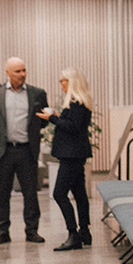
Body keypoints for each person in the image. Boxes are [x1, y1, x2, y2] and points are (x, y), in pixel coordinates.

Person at [0, 57, 48, 245]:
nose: (22, 74)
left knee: (30, 193)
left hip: (27, 150)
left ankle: (32, 231)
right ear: (7, 72)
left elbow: (43, 121)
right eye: (17, 71)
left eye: (24, 70)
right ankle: (2, 231)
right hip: (3, 151)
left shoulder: (37, 93)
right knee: (2, 193)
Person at [37, 68, 94, 251]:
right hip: (75, 153)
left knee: (59, 194)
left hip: (71, 155)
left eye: (63, 80)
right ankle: (84, 232)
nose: (61, 83)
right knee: (79, 193)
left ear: (72, 82)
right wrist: (58, 116)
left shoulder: (76, 101)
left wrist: (52, 118)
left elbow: (73, 127)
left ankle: (73, 234)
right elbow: (73, 124)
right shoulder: (79, 101)